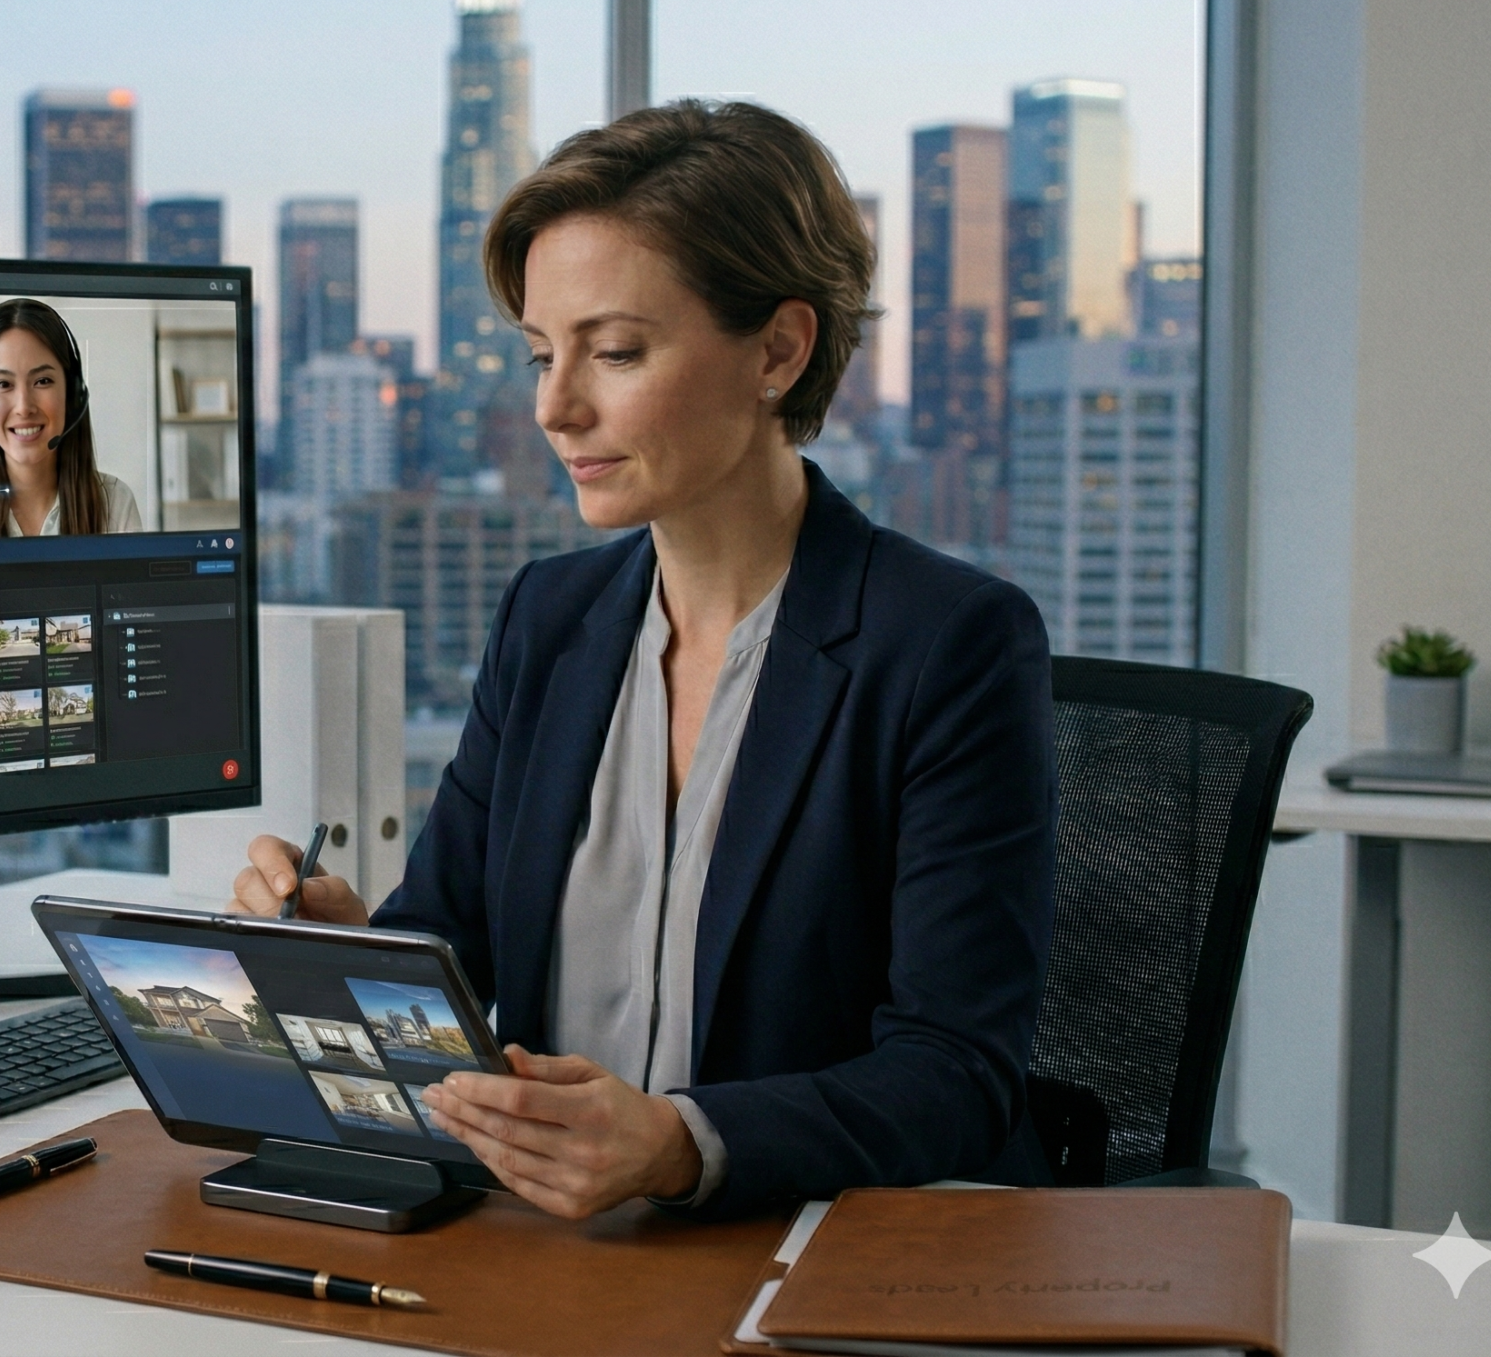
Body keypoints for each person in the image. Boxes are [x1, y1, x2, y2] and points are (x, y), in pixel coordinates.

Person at [230, 100, 1057, 1222]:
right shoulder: (548, 618)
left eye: (614, 351)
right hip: (539, 1252)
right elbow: (452, 946)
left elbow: (957, 1072)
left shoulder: (947, 644)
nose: (555, 406)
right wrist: (352, 954)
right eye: (539, 354)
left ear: (778, 349)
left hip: (794, 1258)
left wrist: (681, 1143)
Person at [0, 298, 144, 538]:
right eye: (3, 384)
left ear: (73, 395)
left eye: (42, 381)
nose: (24, 407)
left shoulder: (114, 504)